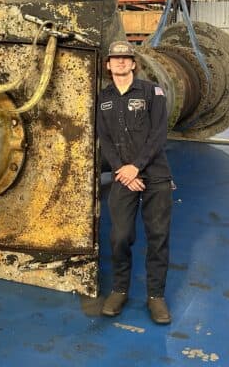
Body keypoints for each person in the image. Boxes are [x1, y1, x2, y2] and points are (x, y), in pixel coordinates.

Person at [97, 40, 173, 325]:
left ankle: (156, 297)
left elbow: (159, 134)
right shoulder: (103, 98)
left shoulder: (152, 92)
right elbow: (104, 140)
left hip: (155, 174)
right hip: (122, 176)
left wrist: (135, 167)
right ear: (108, 64)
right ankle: (119, 290)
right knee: (119, 237)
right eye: (115, 59)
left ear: (133, 63)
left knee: (158, 237)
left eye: (125, 58)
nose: (120, 62)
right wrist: (121, 169)